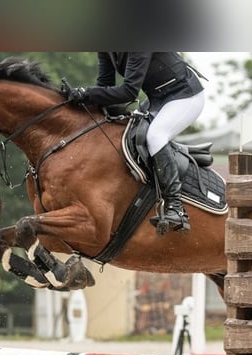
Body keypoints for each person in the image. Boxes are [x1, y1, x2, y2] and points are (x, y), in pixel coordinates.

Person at [66, 52, 206, 233]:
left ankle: (176, 207)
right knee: (128, 133)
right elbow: (104, 87)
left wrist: (87, 94)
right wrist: (80, 99)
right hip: (157, 99)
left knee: (155, 136)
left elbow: (128, 92)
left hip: (184, 96)